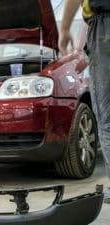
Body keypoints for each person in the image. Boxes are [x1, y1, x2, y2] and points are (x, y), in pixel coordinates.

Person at [58, 0, 110, 203]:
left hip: (105, 28)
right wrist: (84, 51)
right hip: (101, 29)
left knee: (107, 120)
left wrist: (64, 29)